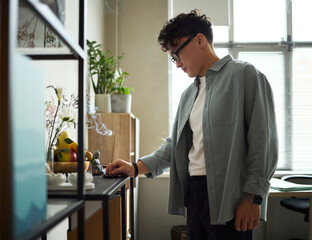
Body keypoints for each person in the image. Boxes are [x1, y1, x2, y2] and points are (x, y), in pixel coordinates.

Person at [105, 9, 278, 240]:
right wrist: (135, 167)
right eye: (173, 58)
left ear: (199, 40)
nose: (177, 64)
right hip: (195, 194)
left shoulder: (245, 76)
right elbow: (175, 146)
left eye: (177, 54)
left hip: (232, 198)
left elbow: (264, 142)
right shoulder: (189, 94)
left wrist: (254, 197)